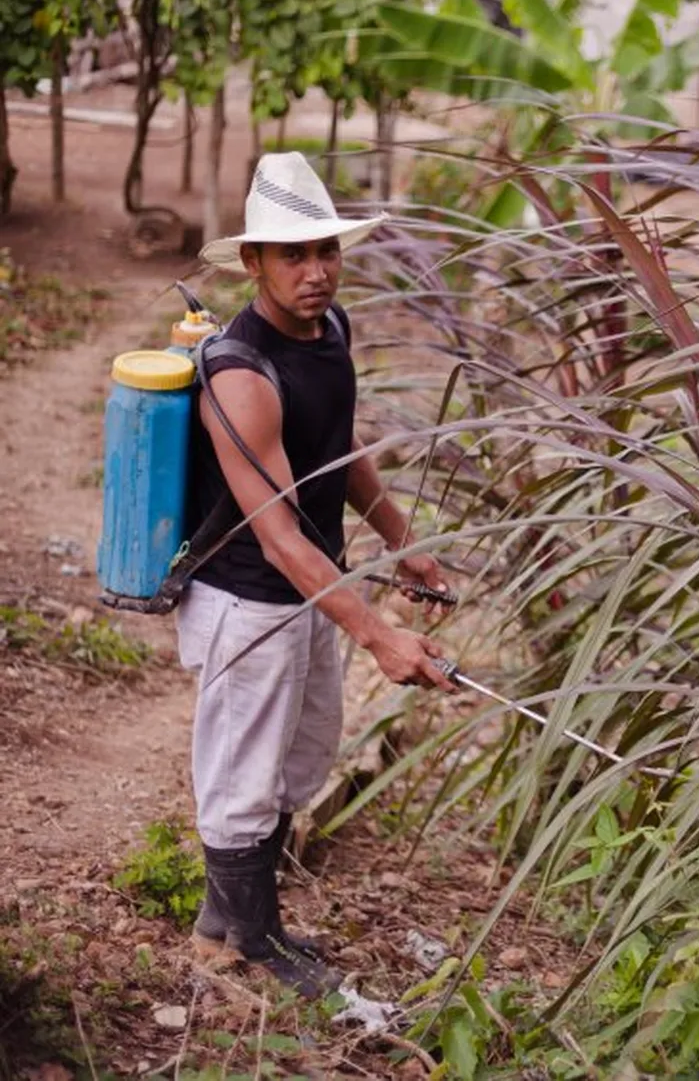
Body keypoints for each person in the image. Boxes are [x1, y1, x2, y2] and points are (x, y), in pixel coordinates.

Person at [179, 152, 456, 997]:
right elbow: (278, 538)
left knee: (298, 760)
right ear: (253, 263)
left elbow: (339, 448)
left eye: (326, 250)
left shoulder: (330, 333)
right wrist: (377, 635)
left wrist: (403, 539)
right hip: (248, 598)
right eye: (293, 255)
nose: (316, 271)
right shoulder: (239, 372)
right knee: (243, 774)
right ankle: (249, 945)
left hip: (309, 591)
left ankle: (232, 925)